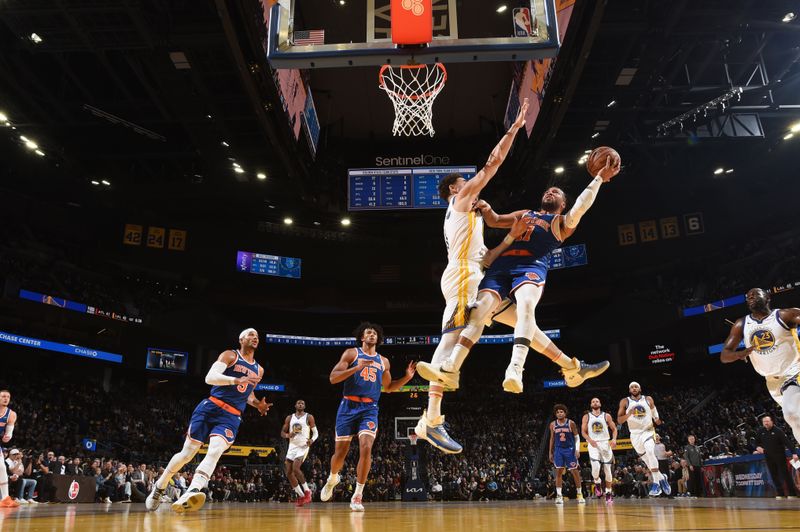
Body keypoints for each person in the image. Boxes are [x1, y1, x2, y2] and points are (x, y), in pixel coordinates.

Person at [421, 155, 620, 397]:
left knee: (526, 308)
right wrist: (487, 208)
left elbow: (581, 205)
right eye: (547, 191)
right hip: (500, 268)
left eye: (555, 192)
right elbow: (494, 221)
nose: (549, 193)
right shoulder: (526, 213)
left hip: (530, 266)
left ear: (562, 203)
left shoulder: (562, 222)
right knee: (480, 311)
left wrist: (598, 178)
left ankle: (515, 369)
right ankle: (572, 368)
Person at [414, 98, 530, 454]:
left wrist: (511, 234)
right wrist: (512, 129)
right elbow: (493, 164)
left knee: (522, 320)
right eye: (467, 184)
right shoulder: (461, 199)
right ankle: (431, 420)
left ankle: (567, 363)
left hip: (475, 271)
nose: (474, 187)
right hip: (462, 276)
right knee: (451, 341)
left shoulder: (470, 219)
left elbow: (490, 257)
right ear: (455, 189)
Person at [145, 328, 271, 513]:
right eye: (251, 335)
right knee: (187, 454)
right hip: (210, 407)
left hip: (231, 415)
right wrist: (236, 380)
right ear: (241, 339)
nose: (255, 338)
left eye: (257, 337)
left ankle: (193, 489)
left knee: (216, 450)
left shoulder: (259, 369)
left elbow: (247, 392)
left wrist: (256, 403)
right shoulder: (230, 355)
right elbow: (210, 378)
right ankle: (160, 486)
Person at [320, 322, 416, 512]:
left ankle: (357, 495)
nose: (372, 335)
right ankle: (332, 478)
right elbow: (333, 378)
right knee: (340, 453)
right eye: (368, 332)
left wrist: (406, 378)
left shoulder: (384, 361)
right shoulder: (351, 354)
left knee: (366, 448)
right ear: (362, 338)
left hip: (369, 408)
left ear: (378, 339)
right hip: (348, 406)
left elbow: (388, 388)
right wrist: (356, 368)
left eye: (375, 333)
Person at [721, 288, 800, 443]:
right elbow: (724, 355)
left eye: (755, 294)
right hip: (772, 382)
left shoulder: (784, 315)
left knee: (792, 413)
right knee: (795, 421)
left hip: (793, 372)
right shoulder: (741, 324)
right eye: (748, 296)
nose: (750, 297)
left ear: (767, 297)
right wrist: (739, 354)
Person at [617, 381, 670, 497]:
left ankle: (656, 484)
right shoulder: (625, 401)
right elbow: (619, 420)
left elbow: (654, 411)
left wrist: (656, 419)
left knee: (651, 452)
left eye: (636, 387)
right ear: (629, 390)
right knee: (646, 460)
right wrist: (628, 414)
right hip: (635, 434)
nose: (634, 388)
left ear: (640, 389)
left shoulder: (648, 399)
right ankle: (662, 477)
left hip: (648, 431)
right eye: (632, 387)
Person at [281, 399, 318, 507]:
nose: (300, 404)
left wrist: (312, 440)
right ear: (295, 405)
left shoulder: (309, 417)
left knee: (296, 468)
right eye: (298, 403)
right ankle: (301, 495)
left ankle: (307, 492)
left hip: (303, 446)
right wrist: (288, 435)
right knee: (288, 472)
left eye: (302, 403)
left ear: (304, 406)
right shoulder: (289, 417)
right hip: (292, 446)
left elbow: (316, 433)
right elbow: (282, 433)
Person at [581, 397, 617, 503]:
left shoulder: (606, 416)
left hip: (605, 443)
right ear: (591, 405)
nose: (595, 402)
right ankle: (597, 482)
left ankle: (609, 492)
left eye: (597, 401)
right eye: (593, 401)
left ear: (600, 403)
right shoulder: (586, 416)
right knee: (595, 467)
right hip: (593, 443)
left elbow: (614, 429)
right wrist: (589, 440)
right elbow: (583, 432)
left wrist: (614, 439)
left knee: (608, 470)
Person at [754, 415, 798, 499]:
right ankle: (780, 493)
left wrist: (794, 453)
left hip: (779, 455)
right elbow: (756, 442)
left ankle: (792, 493)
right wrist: (757, 447)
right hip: (768, 456)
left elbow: (787, 442)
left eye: (767, 421)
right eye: (764, 422)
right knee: (774, 475)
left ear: (772, 422)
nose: (766, 423)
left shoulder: (778, 431)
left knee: (785, 474)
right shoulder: (761, 431)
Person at [548, 404, 584, 505]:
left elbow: (577, 437)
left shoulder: (571, 423)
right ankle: (559, 496)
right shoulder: (552, 424)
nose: (559, 413)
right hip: (558, 450)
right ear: (555, 414)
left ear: (565, 413)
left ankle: (579, 494)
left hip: (570, 449)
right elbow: (552, 439)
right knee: (559, 472)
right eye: (558, 412)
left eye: (561, 412)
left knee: (575, 472)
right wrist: (550, 452)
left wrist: (577, 449)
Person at [0, 389, 19, 508]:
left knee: (1, 467)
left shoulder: (11, 414)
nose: (5, 398)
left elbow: (9, 433)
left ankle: (5, 498)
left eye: (8, 396)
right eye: (3, 396)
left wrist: (7, 437)